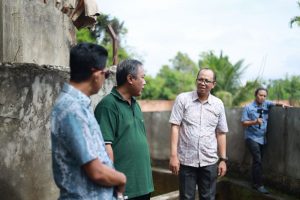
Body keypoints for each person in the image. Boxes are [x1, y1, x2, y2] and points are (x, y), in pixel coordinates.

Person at [51, 43, 126, 200]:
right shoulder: (72, 109)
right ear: (96, 74)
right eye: (105, 74)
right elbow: (97, 172)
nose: (105, 79)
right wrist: (121, 178)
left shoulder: (79, 105)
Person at [94, 59, 154, 200]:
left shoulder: (136, 105)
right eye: (142, 78)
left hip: (143, 185)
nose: (145, 82)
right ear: (130, 79)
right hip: (124, 188)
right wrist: (112, 183)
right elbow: (105, 147)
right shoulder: (108, 105)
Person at [169, 68, 228, 200]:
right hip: (186, 161)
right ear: (196, 81)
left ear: (213, 84)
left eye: (207, 80)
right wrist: (173, 156)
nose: (203, 83)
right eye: (200, 79)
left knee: (208, 197)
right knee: (186, 197)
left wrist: (223, 160)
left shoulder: (218, 104)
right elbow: (175, 127)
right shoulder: (183, 99)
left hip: (209, 161)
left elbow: (221, 133)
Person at [241, 87, 290, 194]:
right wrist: (254, 122)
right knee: (258, 160)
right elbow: (243, 123)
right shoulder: (248, 107)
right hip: (251, 137)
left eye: (264, 96)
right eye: (260, 95)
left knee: (257, 161)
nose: (262, 97)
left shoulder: (266, 104)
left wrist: (282, 105)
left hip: (262, 138)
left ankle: (254, 183)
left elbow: (274, 103)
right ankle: (259, 185)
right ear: (255, 95)